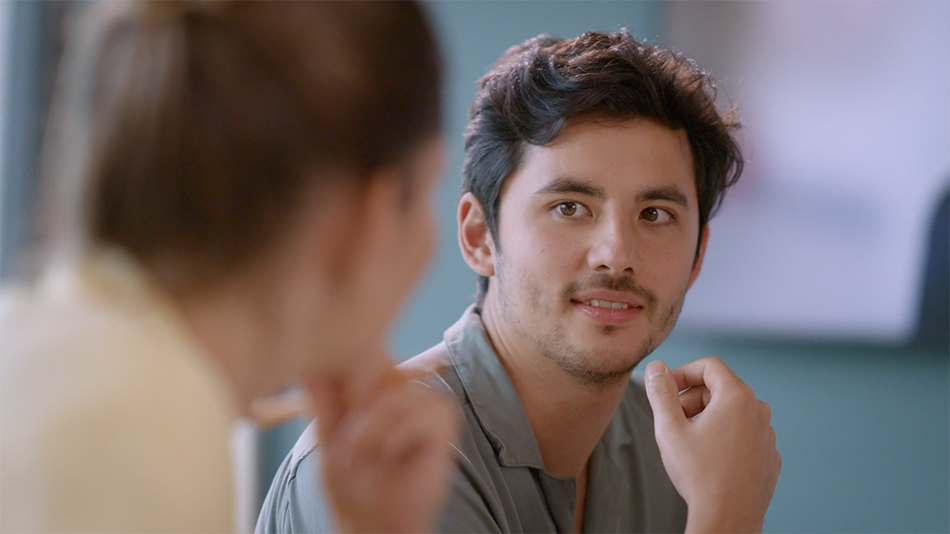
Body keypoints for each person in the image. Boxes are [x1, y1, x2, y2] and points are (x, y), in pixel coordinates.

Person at [259, 28, 782, 534]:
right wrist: (728, 515)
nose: (617, 255)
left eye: (655, 214)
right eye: (570, 207)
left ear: (697, 255)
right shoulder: (382, 466)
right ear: (479, 236)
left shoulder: (679, 450)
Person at [0, 0, 458, 533]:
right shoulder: (137, 430)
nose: (430, 241)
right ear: (372, 215)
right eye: (430, 189)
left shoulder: (70, 353)